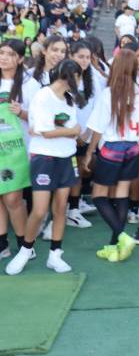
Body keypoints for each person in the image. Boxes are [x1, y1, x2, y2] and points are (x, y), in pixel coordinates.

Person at [5, 60, 83, 275]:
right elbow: (44, 131)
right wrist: (70, 131)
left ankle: (55, 254)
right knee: (39, 210)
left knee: (60, 208)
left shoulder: (70, 100)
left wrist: (69, 131)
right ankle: (25, 250)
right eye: (78, 76)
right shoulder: (42, 96)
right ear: (69, 75)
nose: (79, 80)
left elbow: (73, 129)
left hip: (66, 157)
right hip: (44, 158)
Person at [85, 49, 139, 262]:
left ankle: (121, 237)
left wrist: (88, 153)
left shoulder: (108, 93)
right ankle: (114, 246)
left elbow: (97, 128)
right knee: (121, 195)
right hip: (133, 148)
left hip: (112, 148)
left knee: (99, 196)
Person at [0, 40, 38, 262]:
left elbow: (40, 119)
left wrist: (21, 112)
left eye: (10, 54)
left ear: (21, 59)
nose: (3, 57)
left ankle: (25, 244)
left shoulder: (29, 84)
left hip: (19, 151)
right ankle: (2, 242)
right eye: (1, 53)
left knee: (13, 198)